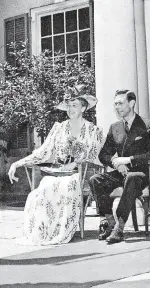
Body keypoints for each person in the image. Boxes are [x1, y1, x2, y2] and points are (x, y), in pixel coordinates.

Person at [8, 85, 104, 245]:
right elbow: (42, 152)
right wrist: (17, 163)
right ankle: (45, 233)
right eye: (68, 106)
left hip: (78, 175)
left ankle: (62, 231)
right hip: (57, 173)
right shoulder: (59, 128)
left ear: (83, 107)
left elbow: (93, 155)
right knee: (40, 191)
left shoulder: (93, 131)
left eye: (74, 105)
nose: (70, 109)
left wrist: (75, 162)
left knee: (66, 187)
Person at [89, 89, 150, 244]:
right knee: (95, 180)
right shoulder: (115, 127)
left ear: (132, 103)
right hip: (122, 173)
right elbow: (104, 155)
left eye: (120, 103)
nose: (117, 107)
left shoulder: (148, 125)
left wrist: (129, 160)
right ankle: (110, 222)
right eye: (115, 104)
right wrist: (116, 163)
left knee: (132, 177)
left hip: (143, 173)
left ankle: (119, 228)